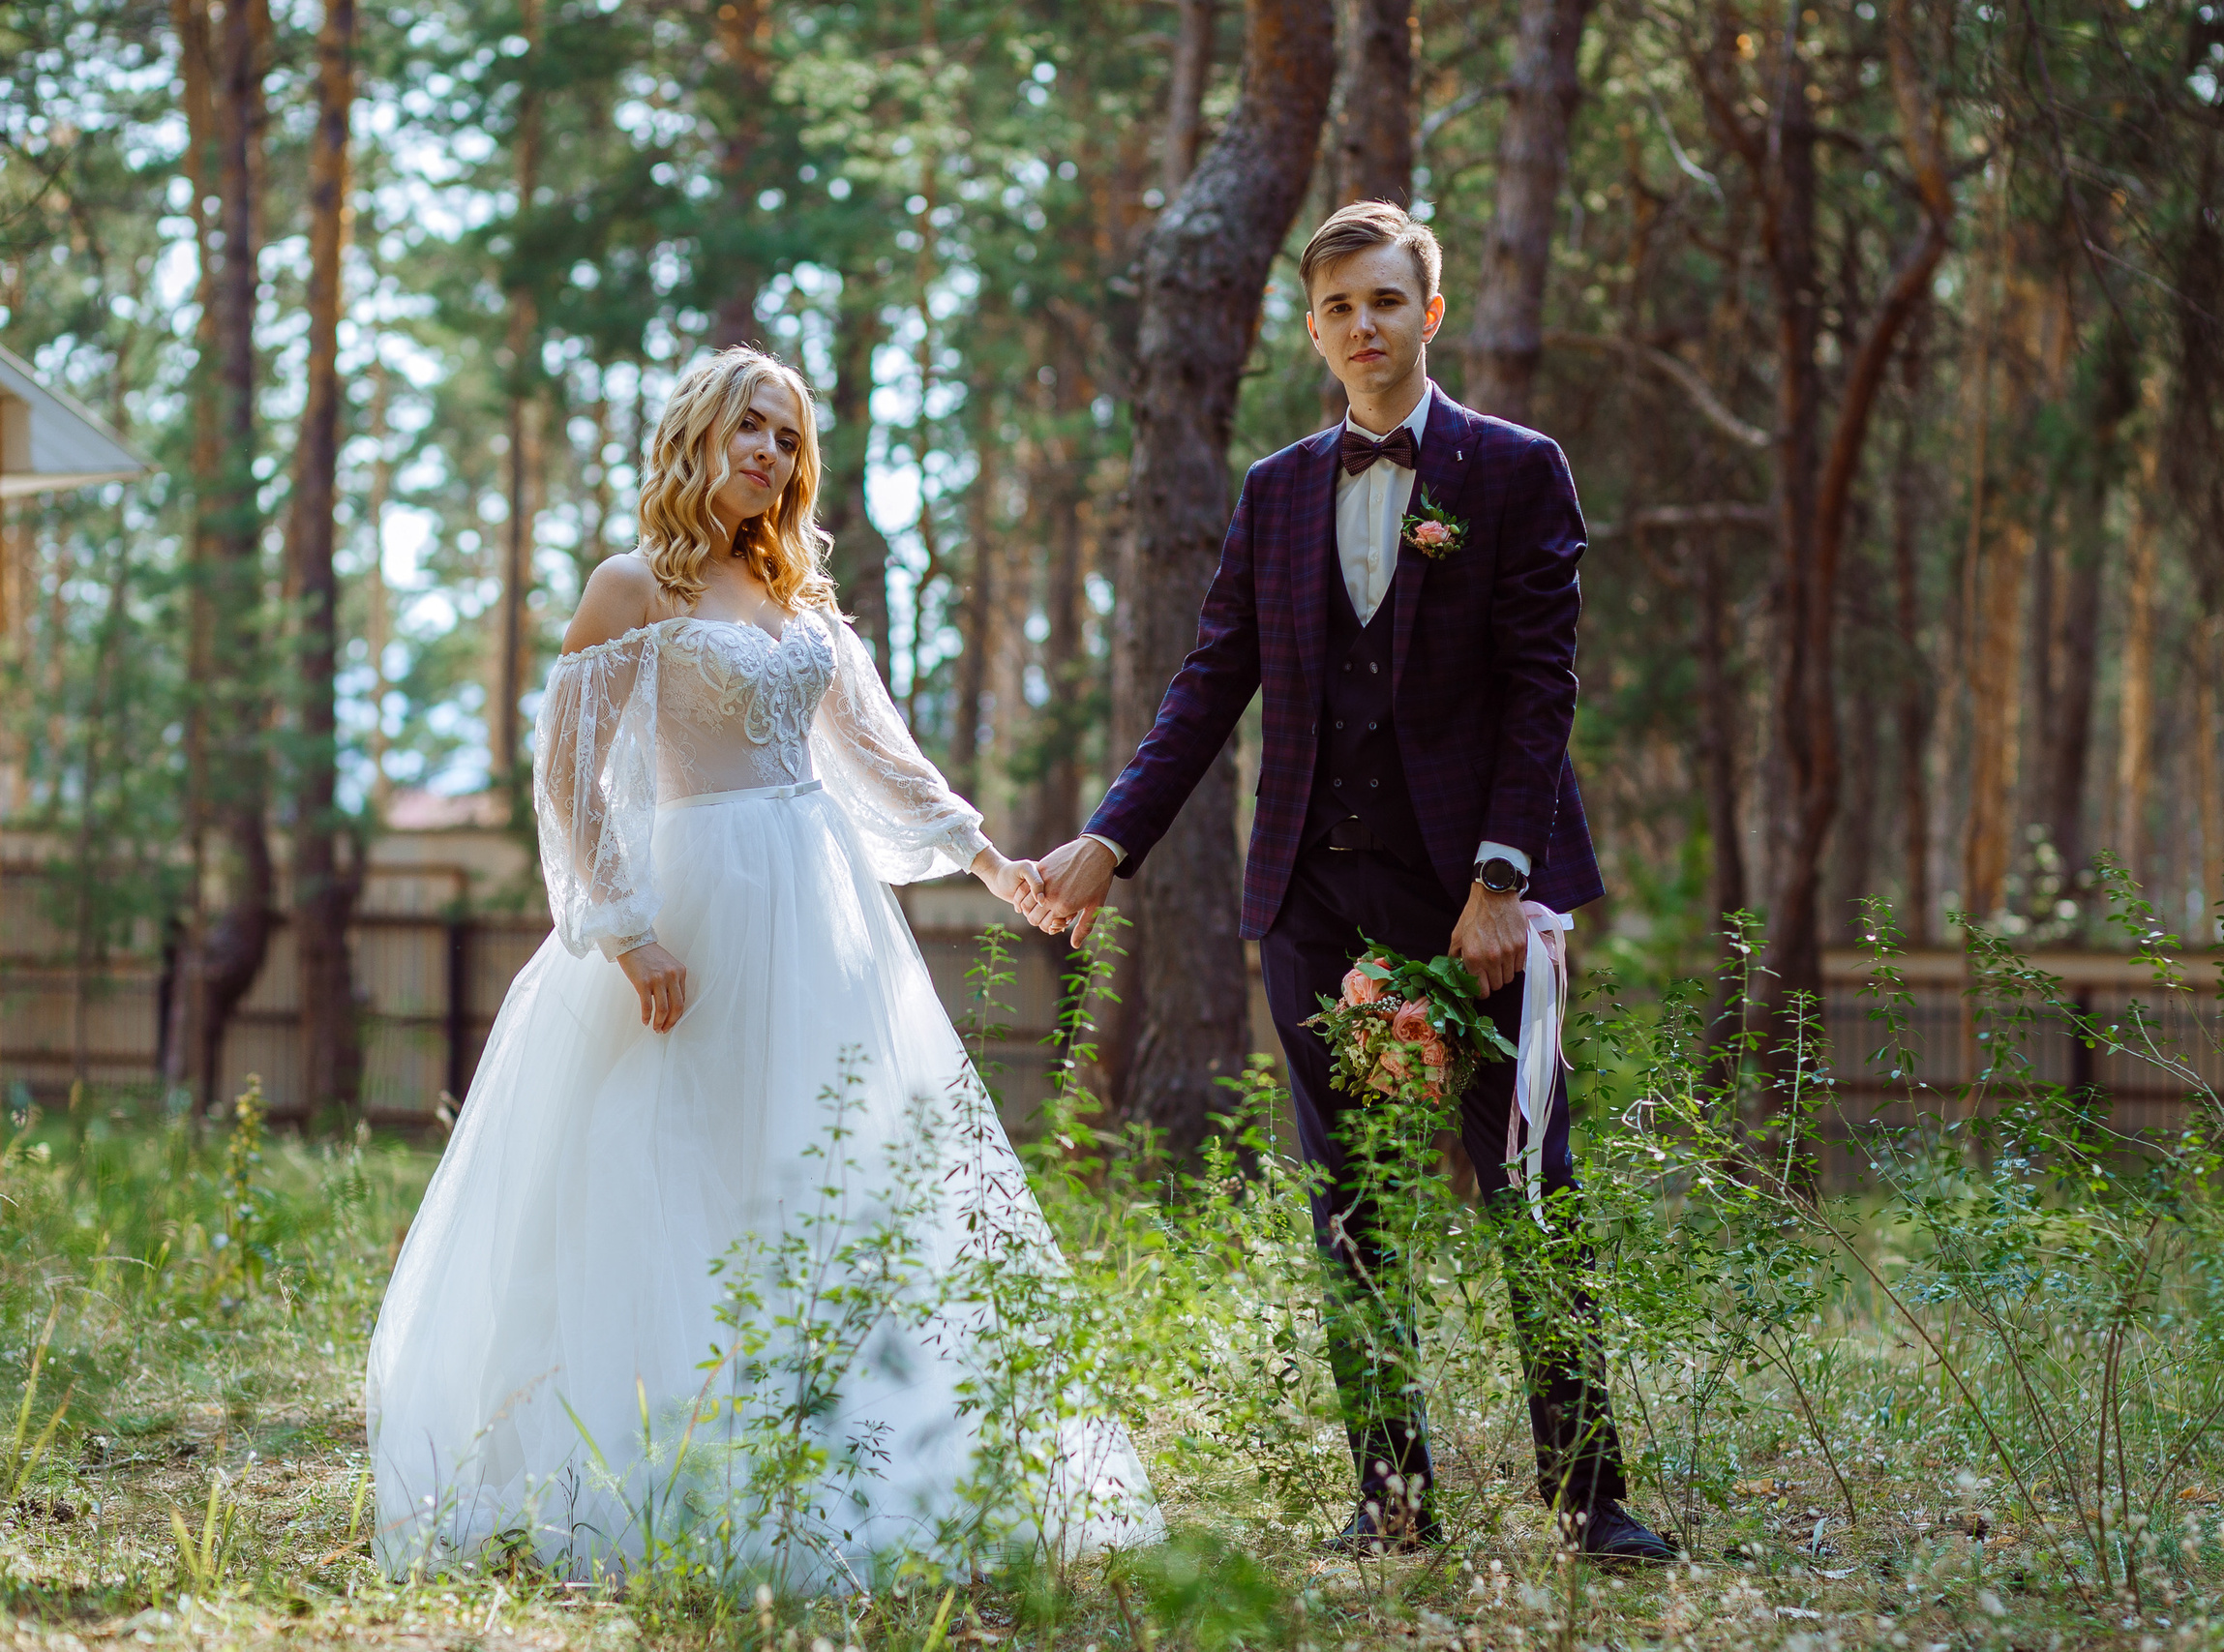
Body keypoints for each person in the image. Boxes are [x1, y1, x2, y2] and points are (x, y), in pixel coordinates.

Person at [365, 347, 1160, 1590]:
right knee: (673, 1156)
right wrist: (628, 929)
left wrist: (996, 866)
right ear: (698, 433)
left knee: (837, 1156)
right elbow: (569, 780)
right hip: (698, 897)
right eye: (750, 428)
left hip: (821, 902)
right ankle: (658, 1455)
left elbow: (881, 761)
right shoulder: (632, 588)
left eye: (788, 439)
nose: (769, 456)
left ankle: (854, 1451)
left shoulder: (798, 602)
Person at [1025, 201, 1673, 1563]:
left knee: (1528, 1188)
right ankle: (1394, 1500)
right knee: (1350, 1206)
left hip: (1481, 897)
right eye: (1337, 307)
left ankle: (1592, 1498)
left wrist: (1502, 880)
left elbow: (1542, 687)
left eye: (1386, 300)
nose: (1363, 326)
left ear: (1427, 313)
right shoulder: (1273, 492)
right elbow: (1211, 685)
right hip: (1315, 894)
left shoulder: (1514, 469)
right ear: (1312, 328)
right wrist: (1107, 841)